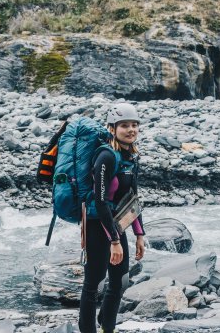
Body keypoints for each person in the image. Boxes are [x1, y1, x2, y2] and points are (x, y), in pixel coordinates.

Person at [78, 102, 146, 333]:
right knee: (94, 284)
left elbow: (132, 198)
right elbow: (100, 200)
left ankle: (107, 327)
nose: (131, 129)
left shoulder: (130, 156)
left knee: (120, 281)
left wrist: (139, 234)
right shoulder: (106, 156)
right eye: (124, 125)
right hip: (97, 224)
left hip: (116, 224)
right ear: (112, 128)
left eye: (134, 125)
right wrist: (114, 241)